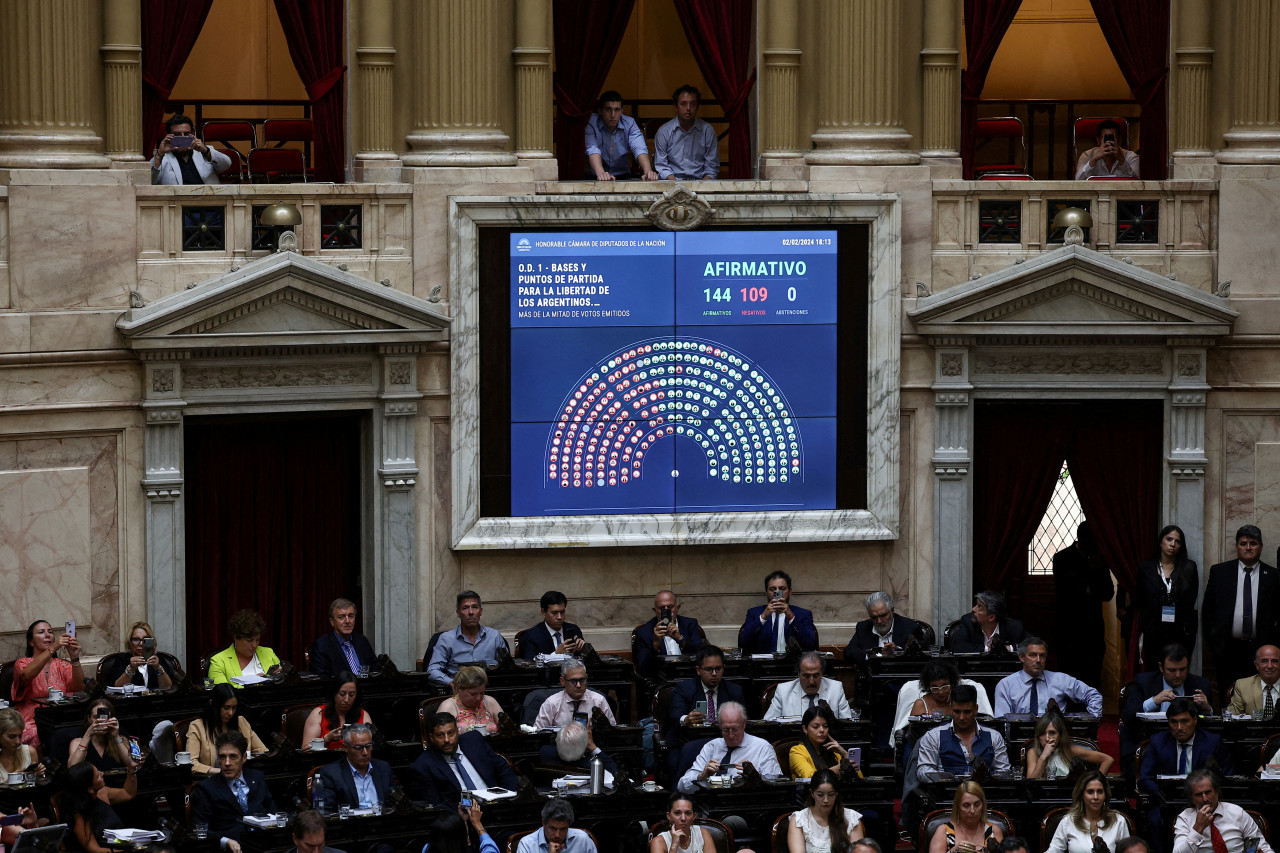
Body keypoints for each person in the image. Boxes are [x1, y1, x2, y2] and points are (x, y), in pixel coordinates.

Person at [1203, 525, 1280, 702]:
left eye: (1253, 543)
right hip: (1227, 648)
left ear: (1260, 546)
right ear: (1237, 546)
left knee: (1258, 698)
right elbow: (1208, 610)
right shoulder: (1220, 572)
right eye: (1243, 543)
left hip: (1261, 650)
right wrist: (1215, 641)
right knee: (1227, 697)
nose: (1248, 547)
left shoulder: (1274, 576)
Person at [1120, 644, 1213, 771]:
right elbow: (1128, 716)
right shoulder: (1144, 682)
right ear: (1161, 667)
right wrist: (1153, 701)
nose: (1178, 675)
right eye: (1172, 670)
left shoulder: (1201, 684)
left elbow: (1210, 724)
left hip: (1190, 742)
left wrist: (1207, 708)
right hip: (1150, 739)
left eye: (1183, 669)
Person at [405, 712, 519, 806]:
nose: (447, 740)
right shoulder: (423, 766)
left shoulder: (474, 740)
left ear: (457, 731)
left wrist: (508, 796)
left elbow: (503, 769)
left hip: (497, 804)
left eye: (451, 733)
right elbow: (436, 804)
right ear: (431, 737)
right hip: (463, 815)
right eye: (440, 735)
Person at [666, 644, 745, 779]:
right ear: (698, 670)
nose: (714, 674)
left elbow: (743, 720)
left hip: (724, 741)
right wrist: (686, 719)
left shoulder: (734, 691)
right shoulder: (684, 689)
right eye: (709, 669)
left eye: (718, 669)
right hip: (689, 741)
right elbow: (675, 715)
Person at [1051, 522, 1115, 686]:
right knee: (1068, 676)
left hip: (1093, 628)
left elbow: (1108, 594)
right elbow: (1064, 593)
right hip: (1068, 628)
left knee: (1092, 676)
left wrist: (1096, 571)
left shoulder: (1100, 560)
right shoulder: (1062, 558)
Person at [191, 731, 276, 849]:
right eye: (222, 757)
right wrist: (225, 841)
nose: (227, 763)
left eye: (233, 756)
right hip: (230, 847)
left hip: (262, 844)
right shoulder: (207, 788)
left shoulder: (257, 778)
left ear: (244, 757)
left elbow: (272, 812)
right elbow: (199, 828)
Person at [1133, 525, 1200, 667]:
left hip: (1179, 632)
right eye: (1169, 539)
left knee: (1176, 671)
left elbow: (1191, 598)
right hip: (1153, 631)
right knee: (1154, 670)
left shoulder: (1189, 568)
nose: (1173, 544)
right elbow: (1140, 598)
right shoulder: (1146, 568)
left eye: (1178, 541)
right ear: (1160, 541)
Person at [1138, 698, 1234, 796]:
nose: (1179, 727)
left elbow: (1226, 776)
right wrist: (1164, 793)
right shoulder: (1158, 742)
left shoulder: (1212, 742)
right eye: (1174, 722)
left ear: (1195, 720)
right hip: (1166, 800)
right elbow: (1145, 779)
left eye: (1184, 721)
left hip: (1203, 800)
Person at [678, 701, 782, 792]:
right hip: (712, 803)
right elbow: (682, 786)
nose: (731, 735)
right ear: (719, 726)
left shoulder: (762, 748)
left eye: (735, 729)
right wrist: (702, 776)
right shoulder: (711, 747)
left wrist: (755, 777)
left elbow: (775, 785)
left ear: (744, 724)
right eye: (726, 730)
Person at [12, 619, 84, 746]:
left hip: (58, 717)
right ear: (31, 642)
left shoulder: (62, 665)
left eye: (50, 632)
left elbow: (79, 688)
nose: (47, 635)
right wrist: (53, 647)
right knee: (35, 734)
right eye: (41, 632)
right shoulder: (22, 663)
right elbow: (26, 676)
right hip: (31, 719)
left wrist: (74, 658)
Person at [915, 685, 1011, 778]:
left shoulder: (994, 737)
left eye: (967, 712)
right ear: (950, 709)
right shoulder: (933, 736)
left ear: (976, 709)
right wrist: (945, 777)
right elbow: (923, 770)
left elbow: (1004, 771)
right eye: (957, 712)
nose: (961, 718)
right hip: (947, 791)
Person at [993, 637, 1103, 717]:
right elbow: (1002, 720)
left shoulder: (1060, 680)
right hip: (1020, 738)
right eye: (1032, 655)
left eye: (1042, 656)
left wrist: (1092, 718)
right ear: (1021, 657)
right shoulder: (1006, 685)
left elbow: (1093, 695)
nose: (1038, 660)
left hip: (1055, 738)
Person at [1172, 770, 1274, 853]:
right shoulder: (1185, 818)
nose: (1204, 799)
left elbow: (1261, 847)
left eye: (1208, 792)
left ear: (1217, 792)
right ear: (1192, 798)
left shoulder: (1237, 813)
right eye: (1199, 795)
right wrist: (1198, 828)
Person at [186, 683, 269, 776]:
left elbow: (262, 750)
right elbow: (191, 764)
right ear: (213, 705)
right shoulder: (197, 726)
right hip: (213, 781)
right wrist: (221, 772)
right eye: (226, 708)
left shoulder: (241, 722)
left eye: (234, 708)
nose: (231, 713)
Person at [428, 591, 508, 686]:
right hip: (458, 690)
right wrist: (450, 682)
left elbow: (507, 668)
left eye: (475, 607)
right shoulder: (446, 639)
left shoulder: (494, 636)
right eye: (465, 608)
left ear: (480, 611)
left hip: (489, 688)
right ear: (458, 613)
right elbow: (433, 670)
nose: (471, 612)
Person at [1046, 770, 1132, 853]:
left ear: (1105, 795)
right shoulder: (1068, 822)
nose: (1095, 797)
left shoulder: (1118, 821)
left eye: (1100, 791)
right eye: (1090, 792)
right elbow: (1053, 851)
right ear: (1082, 795)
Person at [61, 762, 135, 853]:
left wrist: (132, 769)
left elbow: (128, 793)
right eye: (98, 776)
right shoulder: (80, 817)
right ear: (90, 789)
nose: (102, 773)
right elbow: (96, 850)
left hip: (125, 843)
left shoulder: (101, 792)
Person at [317, 724, 394, 810]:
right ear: (345, 748)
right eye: (358, 748)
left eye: (368, 746)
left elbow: (393, 804)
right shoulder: (331, 774)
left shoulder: (383, 768)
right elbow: (326, 811)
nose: (365, 752)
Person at [585, 91, 658, 181]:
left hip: (623, 176)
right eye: (608, 109)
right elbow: (592, 148)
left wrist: (648, 172)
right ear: (600, 110)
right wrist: (601, 173)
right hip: (595, 175)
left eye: (617, 110)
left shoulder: (629, 123)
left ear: (622, 110)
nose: (613, 115)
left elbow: (639, 147)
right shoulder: (591, 122)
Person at [739, 570, 818, 654]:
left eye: (782, 589)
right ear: (766, 592)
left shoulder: (803, 614)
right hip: (762, 664)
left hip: (792, 664)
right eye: (773, 589)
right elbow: (744, 641)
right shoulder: (754, 613)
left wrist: (791, 617)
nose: (777, 593)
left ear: (790, 591)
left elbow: (810, 643)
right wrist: (763, 617)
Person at [788, 768, 865, 853]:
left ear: (836, 793)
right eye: (820, 795)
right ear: (812, 793)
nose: (826, 800)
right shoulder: (799, 819)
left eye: (830, 794)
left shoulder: (852, 818)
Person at [634, 590, 705, 677]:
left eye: (670, 607)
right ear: (655, 610)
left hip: (690, 675)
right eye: (662, 608)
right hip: (662, 678)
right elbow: (643, 668)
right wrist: (655, 644)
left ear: (677, 607)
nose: (666, 611)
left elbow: (702, 655)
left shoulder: (690, 625)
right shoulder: (644, 631)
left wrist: (680, 639)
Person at [654, 85, 718, 181]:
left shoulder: (707, 130)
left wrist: (703, 187)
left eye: (692, 104)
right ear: (676, 107)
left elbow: (712, 167)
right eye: (683, 104)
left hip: (700, 183)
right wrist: (676, 185)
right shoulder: (664, 131)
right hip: (672, 183)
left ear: (697, 107)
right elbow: (661, 166)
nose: (688, 108)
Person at [1025, 710, 1113, 779]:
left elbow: (1108, 760)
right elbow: (1031, 783)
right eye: (1042, 733)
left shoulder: (1070, 751)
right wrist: (1043, 756)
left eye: (1052, 733)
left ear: (1060, 735)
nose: (1047, 738)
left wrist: (1096, 782)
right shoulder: (1033, 752)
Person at [765, 652, 853, 720]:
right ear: (799, 674)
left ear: (822, 673)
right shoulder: (783, 691)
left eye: (816, 676)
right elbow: (769, 723)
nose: (811, 681)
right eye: (806, 676)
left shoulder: (836, 689)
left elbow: (847, 723)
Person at [207, 609, 283, 686]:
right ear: (236, 638)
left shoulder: (268, 652)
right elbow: (221, 694)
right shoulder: (218, 661)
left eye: (257, 640)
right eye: (249, 640)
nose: (254, 645)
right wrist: (256, 682)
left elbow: (283, 685)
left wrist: (279, 678)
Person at [151, 114, 232, 185]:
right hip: (177, 201)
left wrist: (205, 150)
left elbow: (226, 164)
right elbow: (150, 182)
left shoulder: (204, 151)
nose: (182, 137)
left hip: (208, 199)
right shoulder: (163, 157)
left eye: (186, 134)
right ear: (168, 135)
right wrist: (160, 154)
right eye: (177, 134)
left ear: (193, 134)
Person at [302, 670, 374, 749]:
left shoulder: (363, 715)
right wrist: (326, 739)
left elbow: (371, 747)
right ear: (334, 693)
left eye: (351, 695)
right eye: (342, 694)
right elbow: (305, 749)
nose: (346, 699)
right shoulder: (318, 714)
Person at [926, 781, 1005, 853]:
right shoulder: (944, 830)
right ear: (958, 807)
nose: (972, 810)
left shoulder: (994, 831)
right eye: (966, 806)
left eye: (977, 805)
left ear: (983, 805)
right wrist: (953, 851)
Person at [843, 592, 924, 661]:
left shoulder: (910, 627)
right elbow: (848, 652)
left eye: (883, 615)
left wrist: (897, 651)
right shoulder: (863, 627)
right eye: (874, 617)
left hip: (899, 676)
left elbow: (921, 655)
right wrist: (871, 654)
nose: (879, 621)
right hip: (870, 677)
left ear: (892, 611)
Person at [534, 661, 616, 728]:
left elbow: (612, 730)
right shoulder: (552, 704)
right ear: (562, 681)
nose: (578, 685)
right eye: (573, 681)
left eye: (582, 680)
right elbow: (539, 733)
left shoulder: (599, 701)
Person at [309, 598, 376, 678]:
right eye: (341, 617)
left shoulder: (362, 641)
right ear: (332, 621)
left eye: (351, 616)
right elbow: (323, 679)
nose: (347, 621)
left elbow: (375, 670)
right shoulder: (321, 646)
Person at [789, 705, 860, 780]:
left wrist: (844, 754)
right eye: (816, 727)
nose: (822, 730)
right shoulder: (796, 751)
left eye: (825, 726)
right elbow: (810, 777)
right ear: (805, 729)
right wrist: (838, 768)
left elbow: (859, 778)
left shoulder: (833, 750)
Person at [103, 621, 178, 690]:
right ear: (129, 642)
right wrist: (131, 668)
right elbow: (117, 687)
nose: (141, 644)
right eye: (136, 640)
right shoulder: (121, 660)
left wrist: (158, 668)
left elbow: (167, 687)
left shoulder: (158, 659)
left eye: (145, 639)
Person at [64, 698, 134, 771]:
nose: (101, 721)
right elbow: (72, 769)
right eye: (96, 717)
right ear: (89, 719)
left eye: (106, 717)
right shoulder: (77, 742)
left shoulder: (119, 740)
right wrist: (88, 735)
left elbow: (132, 765)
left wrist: (116, 736)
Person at [536, 722, 621, 781]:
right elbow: (615, 771)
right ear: (585, 745)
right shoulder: (591, 765)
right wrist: (592, 746)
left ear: (557, 741)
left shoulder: (545, 753)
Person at [948, 592, 1027, 654]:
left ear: (991, 617)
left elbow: (1033, 645)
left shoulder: (1014, 627)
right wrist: (989, 649)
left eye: (980, 607)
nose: (973, 609)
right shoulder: (968, 622)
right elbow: (957, 647)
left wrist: (1009, 648)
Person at [439, 666, 506, 735]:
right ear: (459, 688)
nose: (478, 698)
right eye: (473, 694)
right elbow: (442, 738)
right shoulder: (448, 706)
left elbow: (507, 730)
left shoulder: (489, 701)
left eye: (482, 693)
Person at [516, 798, 598, 853]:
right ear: (543, 823)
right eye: (553, 829)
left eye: (563, 829)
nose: (557, 835)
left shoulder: (582, 840)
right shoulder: (527, 845)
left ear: (568, 825)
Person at [519, 591, 585, 658]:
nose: (559, 617)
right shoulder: (532, 635)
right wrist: (556, 655)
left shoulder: (574, 630)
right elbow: (531, 664)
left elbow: (588, 662)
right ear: (543, 612)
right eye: (554, 613)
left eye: (562, 612)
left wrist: (585, 649)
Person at [650, 793, 718, 853]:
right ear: (669, 816)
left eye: (688, 813)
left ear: (694, 816)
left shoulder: (702, 834)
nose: (683, 818)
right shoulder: (658, 842)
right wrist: (674, 846)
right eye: (677, 813)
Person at [1074, 119, 1139, 180]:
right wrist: (1093, 160)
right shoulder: (1087, 156)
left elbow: (1137, 183)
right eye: (1105, 138)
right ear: (1098, 140)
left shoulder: (1131, 157)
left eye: (1112, 138)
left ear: (1119, 140)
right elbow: (1078, 181)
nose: (1109, 142)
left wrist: (1121, 160)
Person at [1229, 643, 1280, 717]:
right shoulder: (1243, 686)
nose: (1269, 666)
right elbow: (1232, 716)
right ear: (1257, 665)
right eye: (1264, 661)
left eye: (1274, 661)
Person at [426, 804, 498, 853]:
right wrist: (477, 824)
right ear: (467, 842)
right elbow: (490, 848)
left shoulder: (427, 849)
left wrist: (460, 819)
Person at [0, 708, 42, 776]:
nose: (18, 741)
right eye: (11, 737)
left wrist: (38, 775)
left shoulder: (29, 752)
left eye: (20, 736)